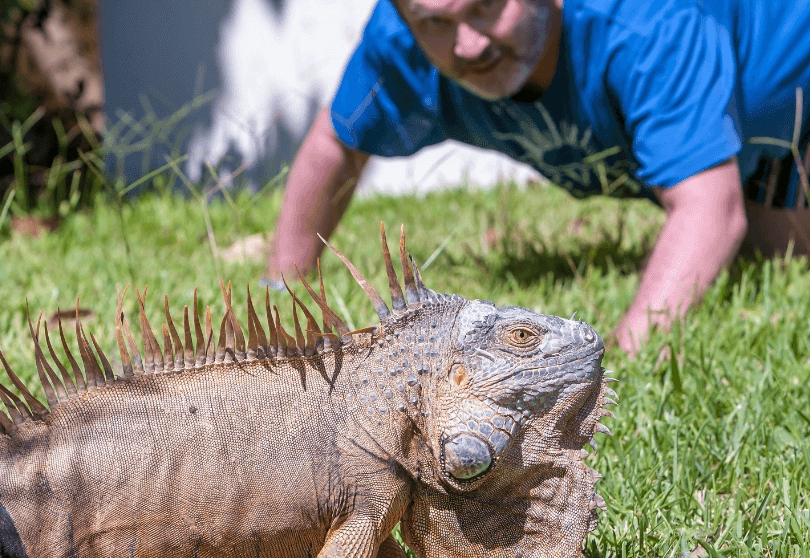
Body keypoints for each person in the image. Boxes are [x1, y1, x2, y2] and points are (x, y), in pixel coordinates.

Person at [265, 0, 810, 355]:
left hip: (792, 91)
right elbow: (335, 145)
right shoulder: (405, 41)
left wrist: (620, 363)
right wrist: (282, 291)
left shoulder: (643, 23)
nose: (468, 44)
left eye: (485, 7)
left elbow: (709, 209)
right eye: (436, 22)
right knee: (775, 256)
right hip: (751, 133)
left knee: (780, 260)